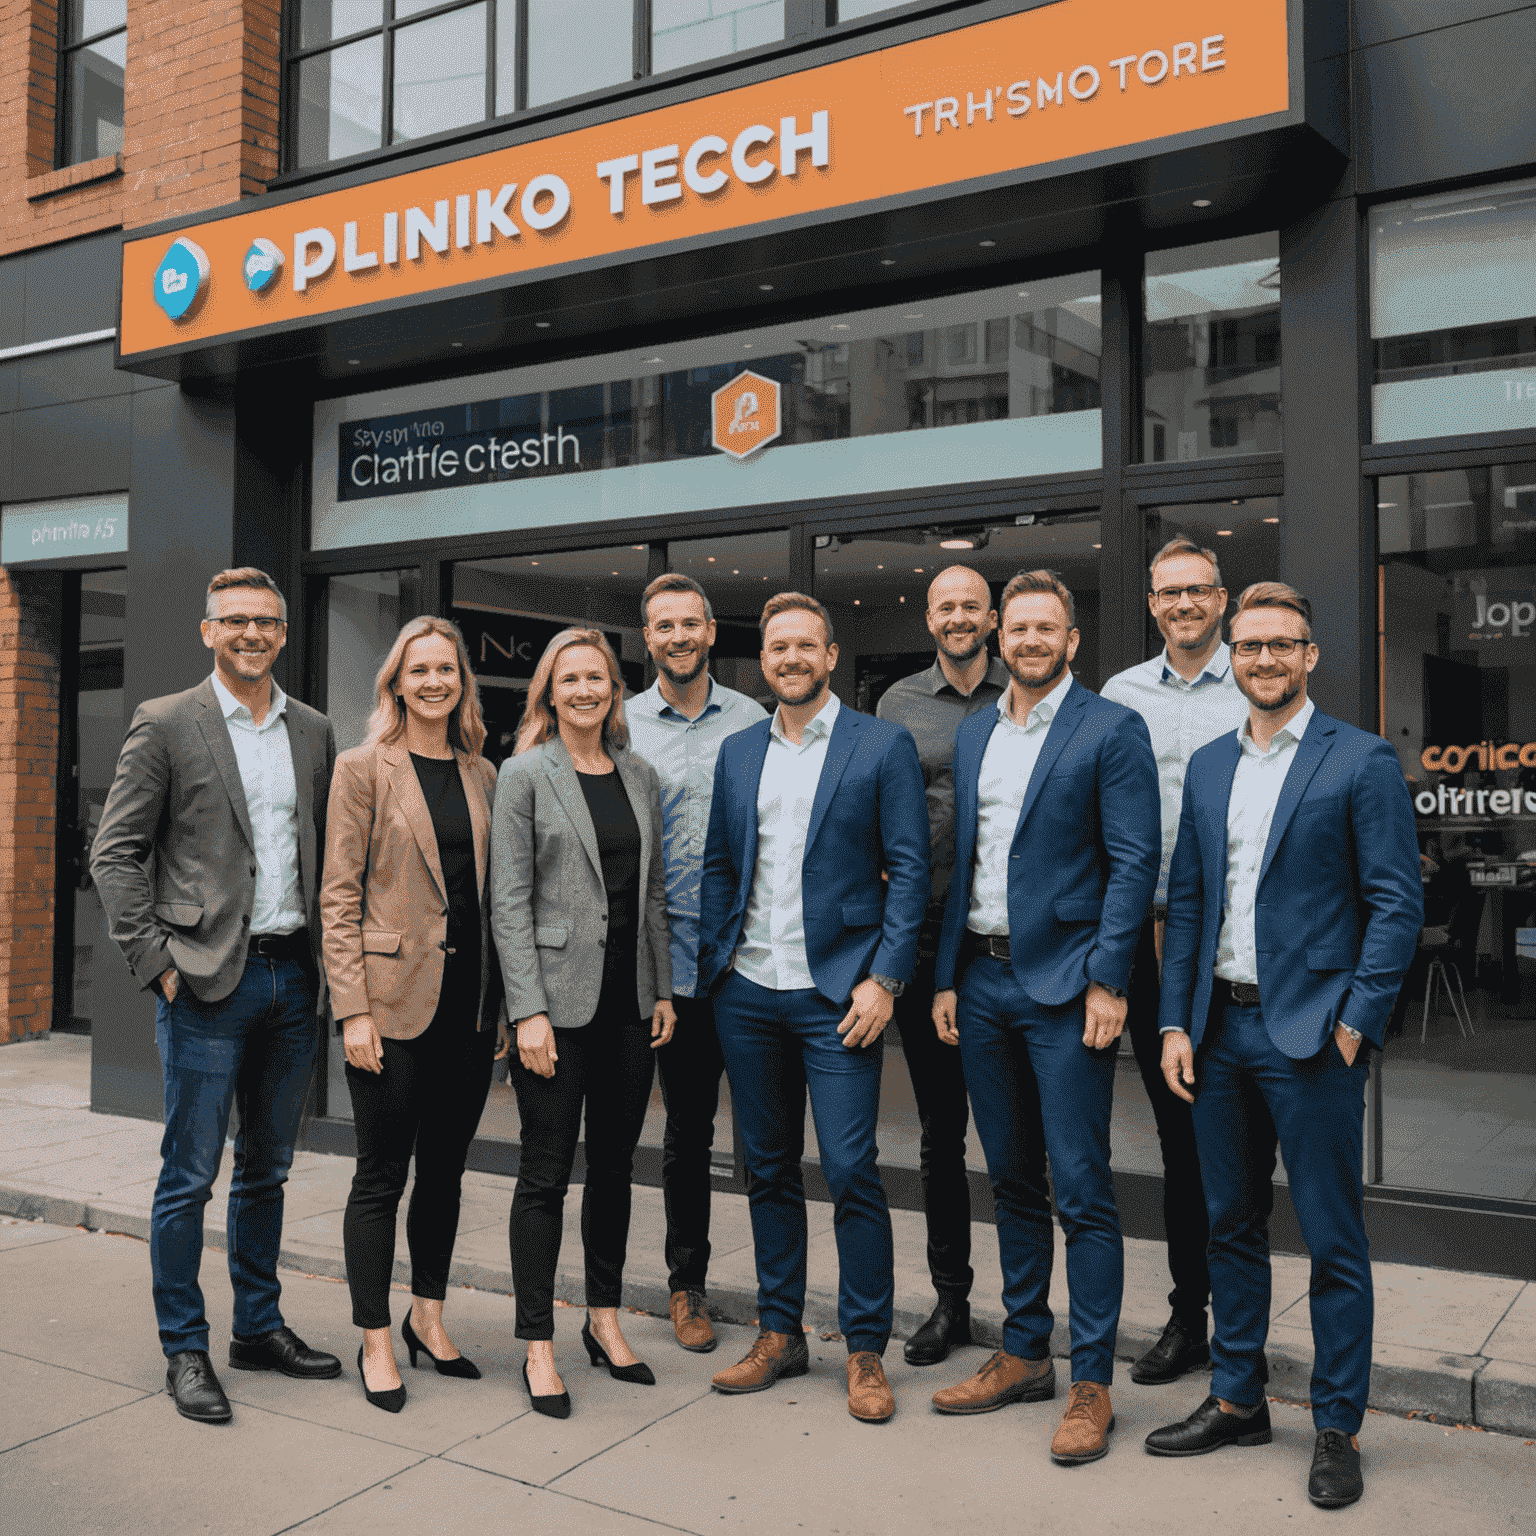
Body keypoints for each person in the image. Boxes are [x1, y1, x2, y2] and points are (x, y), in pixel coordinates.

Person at [1148, 582, 1422, 1509]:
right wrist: (1176, 1021)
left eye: (1283, 645)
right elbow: (1187, 900)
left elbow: (1396, 904)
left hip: (1312, 1037)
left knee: (1333, 1238)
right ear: (1233, 656)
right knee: (1230, 1226)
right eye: (1251, 646)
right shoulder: (1213, 767)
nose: (1265, 660)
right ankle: (1237, 1399)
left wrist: (1356, 1021)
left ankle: (1337, 1424)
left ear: (1310, 656)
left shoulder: (1362, 760)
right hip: (1219, 1029)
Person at [91, 568, 340, 1424]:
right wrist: (157, 964)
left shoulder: (312, 729)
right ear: (208, 631)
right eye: (235, 620)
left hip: (290, 975)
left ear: (282, 632)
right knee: (189, 1175)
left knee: (267, 1170)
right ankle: (185, 1348)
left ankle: (258, 1328)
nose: (252, 634)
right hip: (201, 981)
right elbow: (113, 854)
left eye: (266, 622)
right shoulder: (166, 722)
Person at [930, 570, 1160, 1467]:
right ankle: (1026, 1351)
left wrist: (1111, 980)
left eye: (1044, 627)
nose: (1027, 639)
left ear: (1070, 639)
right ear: (998, 633)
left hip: (1068, 987)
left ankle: (1091, 1381)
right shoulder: (979, 727)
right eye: (1015, 625)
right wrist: (949, 976)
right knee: (1013, 1177)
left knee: (1082, 1184)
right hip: (981, 982)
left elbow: (1134, 861)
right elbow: (970, 858)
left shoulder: (1110, 728)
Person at [698, 593, 929, 1425]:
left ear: (832, 655)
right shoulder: (737, 751)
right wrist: (719, 965)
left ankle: (864, 1348)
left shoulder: (880, 744)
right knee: (765, 1169)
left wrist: (886, 979)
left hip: (840, 997)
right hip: (750, 993)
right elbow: (722, 864)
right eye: (777, 646)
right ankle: (779, 1331)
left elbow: (911, 871)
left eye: (805, 645)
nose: (790, 657)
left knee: (852, 1170)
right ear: (764, 660)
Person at [320, 616, 506, 1414]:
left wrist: (504, 1007)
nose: (435, 682)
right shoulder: (363, 769)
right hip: (390, 1008)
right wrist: (351, 1011)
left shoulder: (484, 773)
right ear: (396, 682)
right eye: (419, 669)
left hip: (468, 1007)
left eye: (448, 670)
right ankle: (374, 1337)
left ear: (462, 682)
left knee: (446, 1174)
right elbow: (338, 895)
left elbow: (491, 898)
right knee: (380, 1177)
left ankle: (427, 1316)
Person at [490, 628, 676, 1418]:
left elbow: (653, 894)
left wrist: (662, 990)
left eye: (597, 678)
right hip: (556, 1012)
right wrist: (526, 1010)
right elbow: (509, 902)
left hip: (630, 1007)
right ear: (549, 691)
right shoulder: (525, 774)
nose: (585, 691)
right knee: (544, 1175)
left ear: (614, 690)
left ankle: (603, 1319)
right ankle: (538, 1341)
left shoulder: (640, 774)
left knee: (613, 1171)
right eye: (570, 679)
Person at [1099, 537, 1249, 1385]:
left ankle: (1241, 1323)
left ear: (1220, 599)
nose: (1183, 604)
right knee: (1178, 1139)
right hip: (1151, 944)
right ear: (1152, 604)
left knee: (1233, 1142)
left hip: (1230, 948)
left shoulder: (1260, 677)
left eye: (1197, 590)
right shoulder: (1120, 695)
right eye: (1168, 593)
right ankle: (1190, 1318)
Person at [627, 574, 768, 1354]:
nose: (678, 636)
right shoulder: (618, 726)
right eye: (663, 626)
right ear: (647, 639)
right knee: (686, 1133)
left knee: (771, 1137)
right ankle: (688, 1285)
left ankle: (783, 1299)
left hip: (744, 963)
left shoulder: (754, 721)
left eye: (690, 623)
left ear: (712, 631)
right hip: (664, 970)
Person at [874, 564, 1011, 1366]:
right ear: (929, 618)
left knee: (1019, 1142)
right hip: (928, 941)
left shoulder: (1026, 689)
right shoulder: (896, 704)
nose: (958, 617)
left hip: (1008, 942)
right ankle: (950, 1301)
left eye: (971, 605)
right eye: (945, 606)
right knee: (939, 1134)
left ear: (990, 617)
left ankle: (1030, 1313)